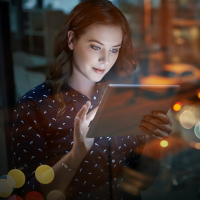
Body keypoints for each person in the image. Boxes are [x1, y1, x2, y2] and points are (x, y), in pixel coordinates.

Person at [11, 0, 172, 199]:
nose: (105, 60)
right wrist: (77, 153)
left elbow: (142, 182)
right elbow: (29, 193)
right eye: (96, 47)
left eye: (114, 50)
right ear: (71, 40)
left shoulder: (123, 99)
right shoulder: (34, 105)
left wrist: (154, 142)